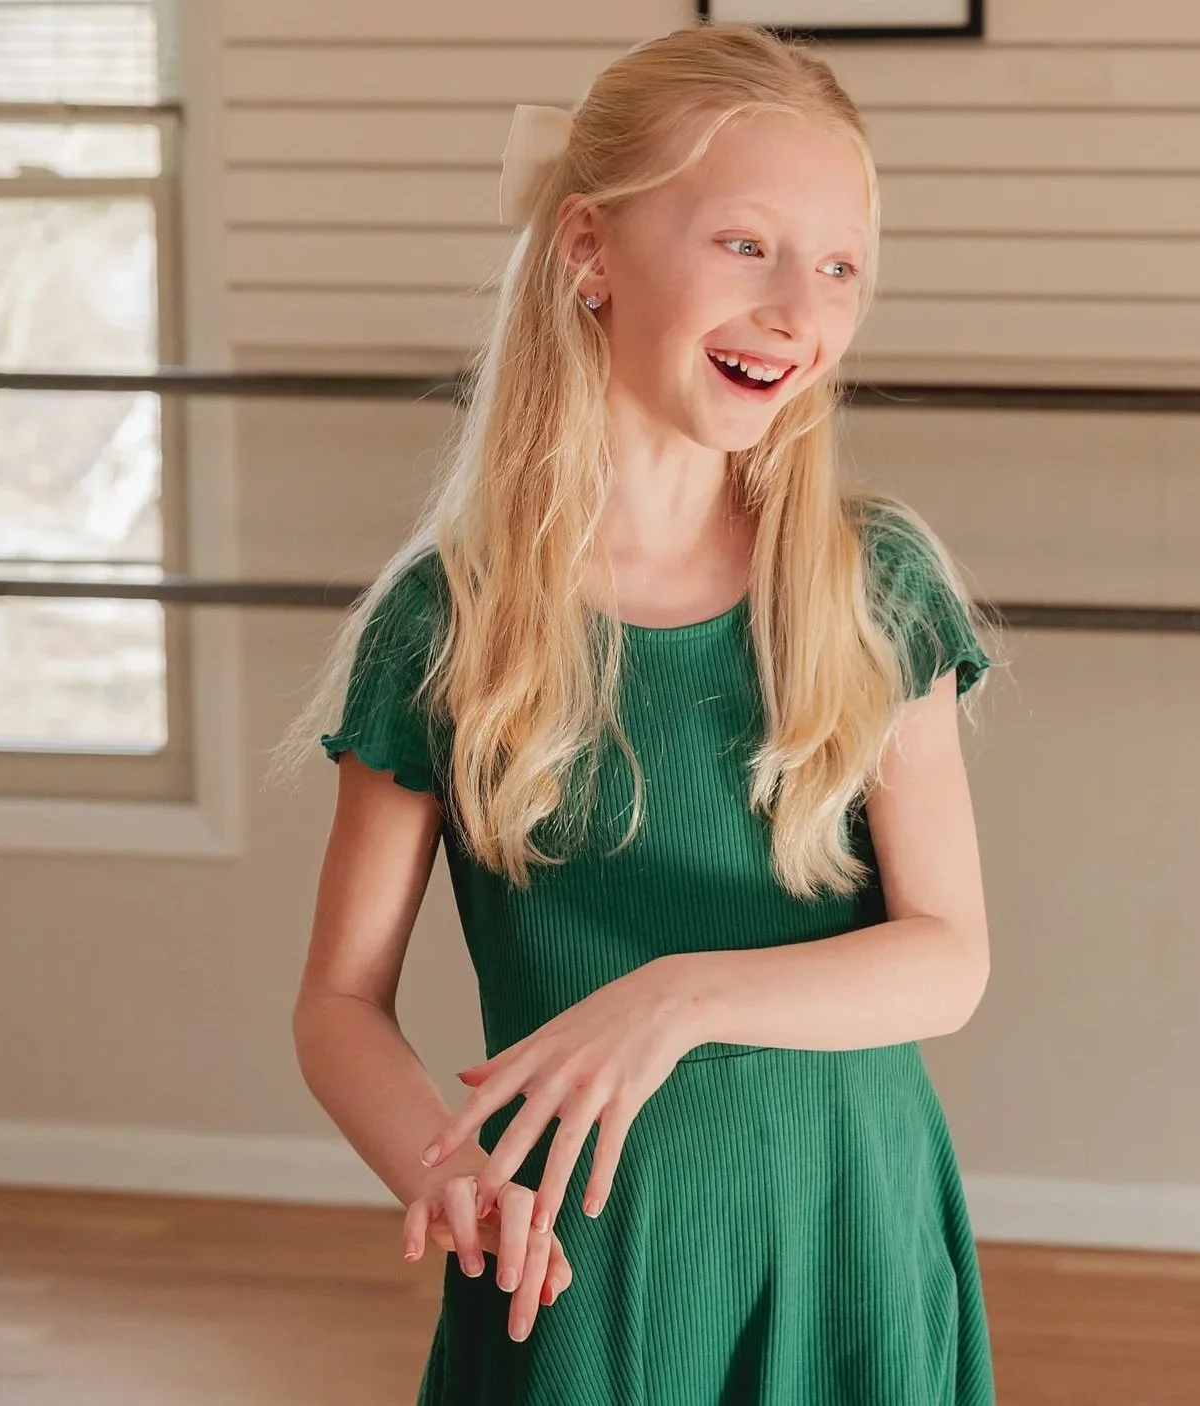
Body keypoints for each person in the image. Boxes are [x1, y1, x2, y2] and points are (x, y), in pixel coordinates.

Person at [277, 24, 1000, 1404]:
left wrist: (676, 998)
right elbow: (338, 1001)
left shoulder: (874, 585)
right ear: (589, 252)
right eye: (746, 244)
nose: (802, 305)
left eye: (840, 265)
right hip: (579, 1269)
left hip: (850, 1243)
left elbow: (948, 958)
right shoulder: (448, 621)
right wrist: (446, 1164)